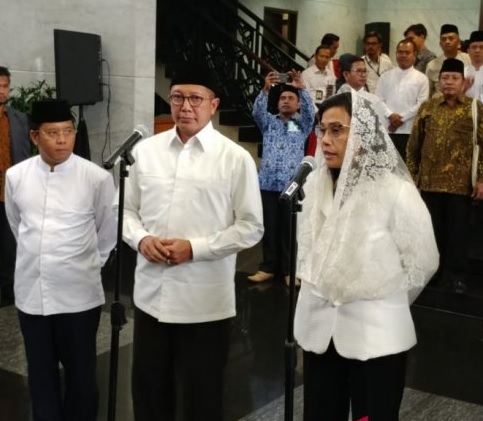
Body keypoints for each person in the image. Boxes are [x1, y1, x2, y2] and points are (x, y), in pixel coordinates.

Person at [121, 64, 264, 421]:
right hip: (152, 295)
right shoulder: (145, 151)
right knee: (150, 392)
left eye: (195, 98)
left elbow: (251, 227)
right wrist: (141, 240)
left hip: (205, 302)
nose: (186, 106)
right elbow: (122, 210)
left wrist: (195, 248)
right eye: (178, 97)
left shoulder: (235, 158)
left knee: (201, 399)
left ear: (213, 105)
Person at [294, 91, 439, 421]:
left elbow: (424, 259)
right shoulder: (314, 184)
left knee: (372, 415)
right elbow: (308, 252)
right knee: (320, 413)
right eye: (321, 130)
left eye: (337, 129)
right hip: (319, 330)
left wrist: (381, 295)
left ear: (363, 134)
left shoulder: (393, 190)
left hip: (376, 333)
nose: (325, 140)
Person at [4, 100, 117, 421]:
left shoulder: (95, 178)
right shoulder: (17, 176)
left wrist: (85, 265)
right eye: (53, 133)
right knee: (40, 376)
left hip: (78, 296)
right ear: (35, 136)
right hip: (32, 294)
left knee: (81, 377)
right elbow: (17, 225)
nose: (62, 140)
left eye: (68, 132)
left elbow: (106, 232)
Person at [407, 58, 483, 294]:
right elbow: (414, 145)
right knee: (431, 232)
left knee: (458, 233)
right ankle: (434, 274)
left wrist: (481, 178)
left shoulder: (475, 108)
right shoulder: (428, 107)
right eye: (445, 78)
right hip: (429, 182)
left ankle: (457, 276)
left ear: (463, 82)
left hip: (460, 185)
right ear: (439, 82)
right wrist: (411, 178)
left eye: (454, 78)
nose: (449, 82)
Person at [247, 69, 314, 284]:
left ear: (298, 104)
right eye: (283, 98)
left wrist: (301, 89)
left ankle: (288, 270)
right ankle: (268, 267)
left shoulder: (299, 125)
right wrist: (265, 89)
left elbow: (311, 114)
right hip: (267, 183)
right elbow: (257, 112)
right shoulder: (269, 123)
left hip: (290, 185)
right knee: (269, 227)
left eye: (290, 98)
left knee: (289, 230)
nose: (286, 101)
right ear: (277, 104)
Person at [0, 66, 30, 303]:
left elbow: (27, 158)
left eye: (5, 86)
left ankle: (10, 303)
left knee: (11, 253)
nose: (1, 92)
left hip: (11, 197)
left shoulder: (19, 119)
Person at [376, 38, 429, 161]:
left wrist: (401, 119)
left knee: (407, 168)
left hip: (409, 130)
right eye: (400, 52)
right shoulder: (385, 77)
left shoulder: (422, 79)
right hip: (387, 129)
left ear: (414, 54)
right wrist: (390, 116)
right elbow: (378, 100)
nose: (403, 55)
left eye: (407, 52)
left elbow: (422, 104)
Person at [337, 53, 389, 122]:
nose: (363, 75)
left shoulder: (373, 101)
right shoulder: (335, 99)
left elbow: (379, 127)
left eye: (364, 71)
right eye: (359, 71)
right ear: (346, 74)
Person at [426, 24, 470, 97]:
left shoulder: (469, 60)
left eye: (451, 38)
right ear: (440, 44)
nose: (447, 41)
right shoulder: (432, 65)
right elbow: (428, 93)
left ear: (459, 43)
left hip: (464, 105)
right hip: (438, 105)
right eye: (444, 39)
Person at [464, 30, 483, 102]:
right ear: (468, 51)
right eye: (474, 47)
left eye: (481, 47)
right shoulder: (462, 73)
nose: (477, 50)